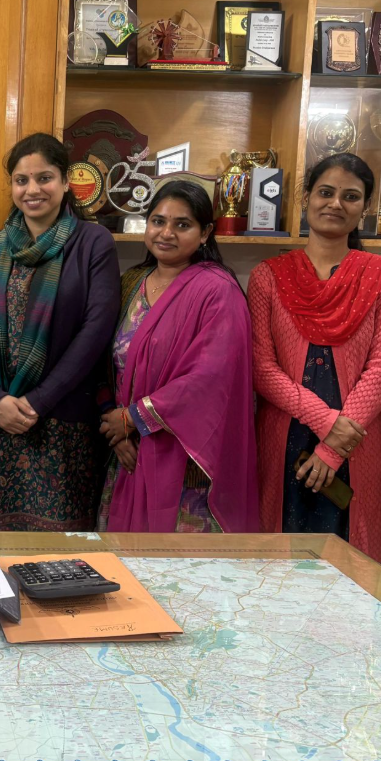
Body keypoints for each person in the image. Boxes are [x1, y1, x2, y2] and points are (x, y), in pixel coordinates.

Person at [0, 133, 118, 531]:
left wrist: (37, 401)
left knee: (58, 551)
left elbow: (96, 331)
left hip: (62, 423)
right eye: (21, 180)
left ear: (65, 181)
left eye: (44, 178)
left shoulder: (92, 243)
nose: (32, 190)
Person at [250, 154, 381, 559]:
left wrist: (334, 446)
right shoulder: (269, 275)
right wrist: (326, 422)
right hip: (284, 437)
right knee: (276, 561)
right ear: (306, 198)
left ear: (364, 207)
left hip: (356, 441)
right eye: (326, 192)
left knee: (351, 564)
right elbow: (261, 369)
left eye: (350, 196)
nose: (336, 203)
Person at [99, 181, 257, 533]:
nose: (166, 233)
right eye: (158, 221)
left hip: (186, 460)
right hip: (127, 453)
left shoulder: (217, 291)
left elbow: (210, 379)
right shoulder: (131, 283)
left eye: (182, 224)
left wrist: (133, 418)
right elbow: (106, 363)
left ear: (206, 233)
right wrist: (118, 431)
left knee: (176, 561)